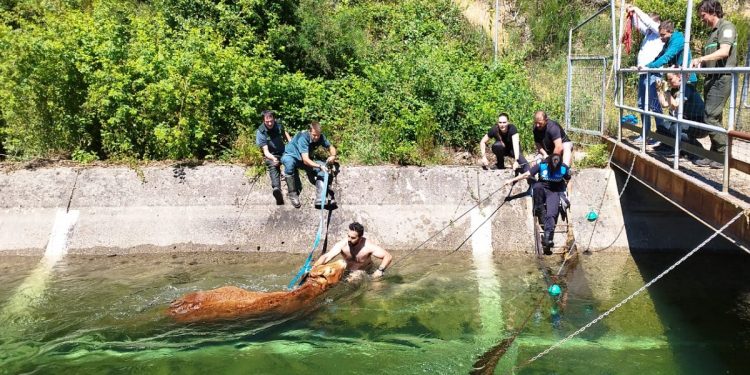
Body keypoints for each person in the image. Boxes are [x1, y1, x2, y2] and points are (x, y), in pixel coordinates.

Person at [690, 0, 737, 168]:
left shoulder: (727, 27)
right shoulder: (712, 33)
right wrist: (701, 65)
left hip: (721, 78)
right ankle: (714, 155)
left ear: (713, 12)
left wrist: (701, 59)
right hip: (711, 79)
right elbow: (713, 57)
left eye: (703, 16)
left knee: (710, 116)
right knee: (714, 117)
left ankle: (725, 155)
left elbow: (724, 52)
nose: (702, 20)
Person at [503, 154, 570, 252]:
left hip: (554, 191)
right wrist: (511, 180)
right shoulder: (542, 165)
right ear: (549, 164)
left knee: (552, 214)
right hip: (542, 187)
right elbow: (527, 174)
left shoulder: (564, 168)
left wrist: (568, 195)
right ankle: (539, 208)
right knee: (537, 187)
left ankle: (548, 238)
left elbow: (568, 180)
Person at [626, 4, 664, 144]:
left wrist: (636, 9)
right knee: (642, 104)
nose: (647, 25)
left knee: (654, 105)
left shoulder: (658, 32)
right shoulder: (649, 34)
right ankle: (645, 133)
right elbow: (639, 25)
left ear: (657, 23)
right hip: (644, 73)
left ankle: (661, 136)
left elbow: (647, 21)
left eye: (650, 22)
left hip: (654, 73)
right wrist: (631, 14)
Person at [281, 121, 338, 209]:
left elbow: (331, 147)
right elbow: (306, 160)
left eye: (318, 135)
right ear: (309, 132)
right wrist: (319, 166)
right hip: (291, 155)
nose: (316, 137)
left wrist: (333, 156)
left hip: (303, 159)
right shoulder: (303, 137)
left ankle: (320, 198)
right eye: (314, 135)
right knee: (289, 164)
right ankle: (292, 194)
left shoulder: (321, 137)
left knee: (324, 167)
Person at [654, 71, 710, 160]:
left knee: (675, 128)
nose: (669, 82)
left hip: (699, 123)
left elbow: (676, 104)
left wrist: (667, 91)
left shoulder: (686, 88)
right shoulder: (675, 89)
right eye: (667, 80)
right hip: (687, 122)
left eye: (670, 79)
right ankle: (671, 147)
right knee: (662, 127)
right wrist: (659, 90)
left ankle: (698, 151)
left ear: (679, 76)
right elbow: (665, 104)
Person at [313, 222, 393, 280]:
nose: (349, 239)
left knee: (355, 277)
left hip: (365, 272)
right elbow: (326, 256)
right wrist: (314, 267)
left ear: (360, 238)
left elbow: (388, 256)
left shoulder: (368, 246)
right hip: (347, 272)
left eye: (353, 238)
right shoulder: (343, 244)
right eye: (348, 236)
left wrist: (380, 270)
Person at [255, 110, 292, 205]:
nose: (270, 123)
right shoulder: (261, 131)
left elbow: (285, 134)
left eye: (271, 120)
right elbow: (266, 151)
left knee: (290, 162)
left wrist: (291, 143)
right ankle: (277, 189)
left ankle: (293, 191)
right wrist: (273, 158)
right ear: (263, 121)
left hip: (283, 151)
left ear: (274, 119)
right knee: (273, 165)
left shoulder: (278, 124)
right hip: (271, 154)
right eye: (267, 122)